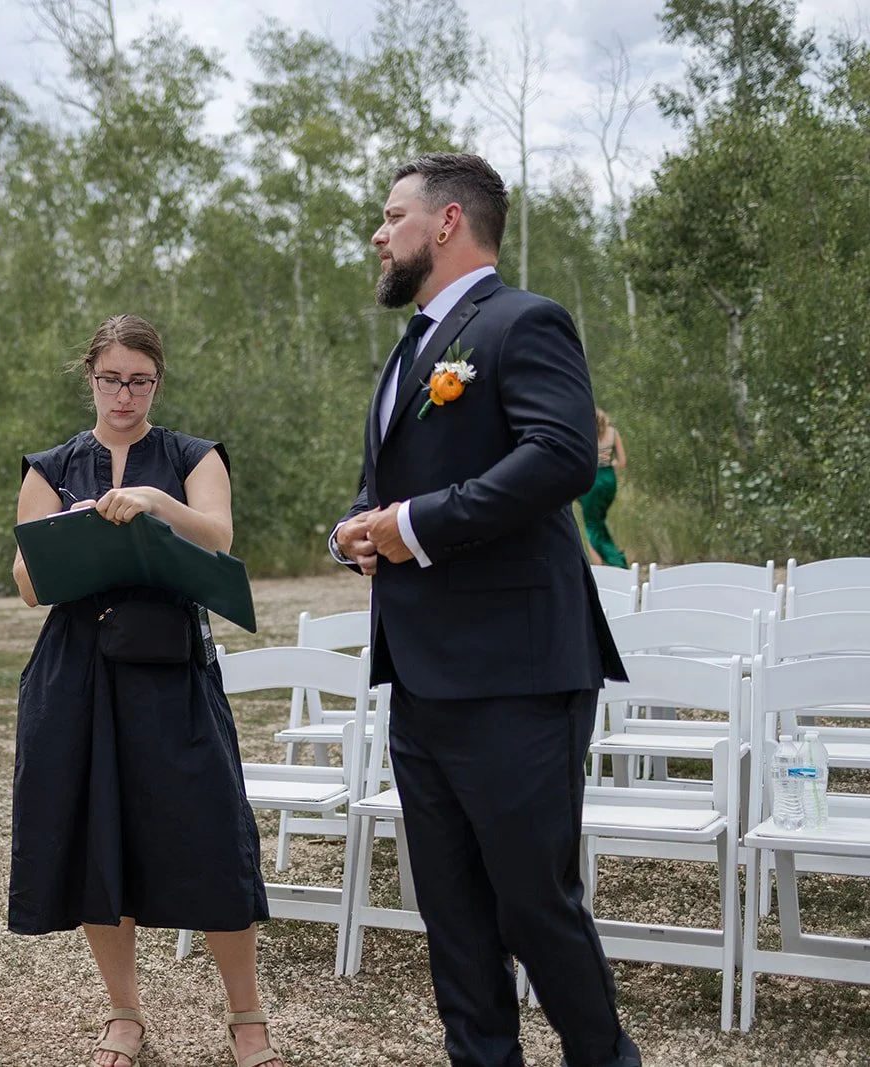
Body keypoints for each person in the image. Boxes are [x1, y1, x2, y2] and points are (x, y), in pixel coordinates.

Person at [331, 154, 637, 1067]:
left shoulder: (523, 321)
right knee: (454, 913)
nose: (380, 235)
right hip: (420, 671)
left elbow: (558, 457)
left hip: (516, 669)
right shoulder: (408, 349)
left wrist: (412, 526)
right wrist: (357, 529)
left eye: (393, 216)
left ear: (450, 220)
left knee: (532, 904)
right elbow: (387, 487)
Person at [10, 315, 282, 1067]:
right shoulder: (51, 464)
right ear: (88, 376)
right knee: (99, 839)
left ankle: (247, 1017)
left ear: (158, 380)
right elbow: (28, 584)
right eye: (109, 378)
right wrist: (69, 529)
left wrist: (157, 504)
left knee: (211, 835)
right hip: (76, 670)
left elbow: (220, 537)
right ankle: (124, 1014)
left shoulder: (192, 455)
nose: (123, 394)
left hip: (170, 667)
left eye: (139, 379)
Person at [580, 408, 629, 568]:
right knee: (598, 522)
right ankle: (608, 561)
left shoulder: (586, 434)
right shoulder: (613, 433)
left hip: (592, 479)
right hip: (609, 480)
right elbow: (621, 462)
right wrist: (609, 466)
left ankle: (612, 562)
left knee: (592, 524)